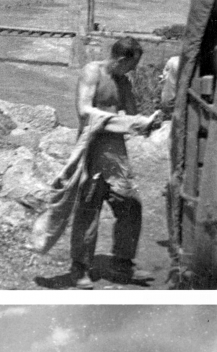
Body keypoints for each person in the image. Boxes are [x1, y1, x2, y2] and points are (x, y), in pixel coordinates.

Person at [69, 36, 162, 289]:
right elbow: (84, 111)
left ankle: (122, 262)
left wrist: (148, 121)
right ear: (121, 59)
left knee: (130, 205)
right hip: (91, 148)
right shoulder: (92, 72)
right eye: (131, 65)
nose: (133, 70)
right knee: (88, 207)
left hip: (115, 153)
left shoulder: (122, 80)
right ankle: (79, 267)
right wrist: (128, 122)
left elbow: (133, 116)